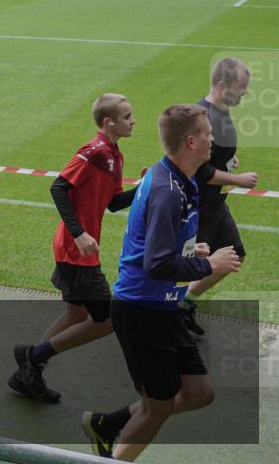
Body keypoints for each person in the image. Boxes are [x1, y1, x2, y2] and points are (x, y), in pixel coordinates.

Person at [81, 104, 241, 460]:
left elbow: (161, 246)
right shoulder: (168, 190)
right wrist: (208, 265)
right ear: (190, 142)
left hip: (163, 307)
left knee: (199, 393)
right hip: (143, 310)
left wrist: (193, 250)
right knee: (158, 407)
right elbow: (156, 264)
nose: (213, 140)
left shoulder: (178, 177)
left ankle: (108, 425)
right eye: (208, 134)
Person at [8, 94, 140, 403]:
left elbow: (114, 203)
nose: (133, 121)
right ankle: (32, 357)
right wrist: (79, 234)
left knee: (77, 314)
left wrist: (141, 188)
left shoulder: (115, 156)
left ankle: (30, 371)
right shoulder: (94, 152)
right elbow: (58, 187)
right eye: (127, 116)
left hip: (82, 250)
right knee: (106, 320)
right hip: (75, 251)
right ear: (108, 122)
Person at [179, 58, 258, 336]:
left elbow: (211, 157)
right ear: (223, 86)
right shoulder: (204, 118)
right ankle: (163, 321)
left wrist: (227, 161)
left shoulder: (220, 112)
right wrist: (238, 179)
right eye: (242, 86)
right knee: (186, 268)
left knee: (234, 255)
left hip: (216, 206)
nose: (245, 92)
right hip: (197, 208)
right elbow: (199, 171)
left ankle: (184, 304)